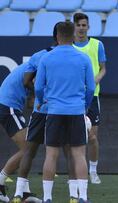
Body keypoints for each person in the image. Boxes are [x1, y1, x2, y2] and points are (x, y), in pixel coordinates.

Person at [11, 23, 78, 203]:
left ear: (55, 36)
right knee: (70, 153)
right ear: (67, 36)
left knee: (29, 151)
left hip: (42, 110)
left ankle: (18, 194)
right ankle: (74, 196)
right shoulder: (76, 57)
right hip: (62, 111)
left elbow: (27, 81)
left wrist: (41, 97)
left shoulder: (40, 56)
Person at [35, 21, 95, 203]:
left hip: (54, 112)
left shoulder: (46, 58)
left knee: (51, 155)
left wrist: (41, 100)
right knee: (79, 155)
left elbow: (38, 87)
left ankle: (47, 198)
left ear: (57, 36)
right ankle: (83, 197)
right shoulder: (83, 58)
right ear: (74, 35)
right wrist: (85, 106)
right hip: (76, 111)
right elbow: (91, 88)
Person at [73, 12, 107, 184]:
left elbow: (103, 68)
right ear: (74, 27)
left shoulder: (97, 44)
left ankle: (93, 171)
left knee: (92, 137)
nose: (81, 28)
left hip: (91, 97)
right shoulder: (68, 46)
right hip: (72, 97)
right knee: (72, 138)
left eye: (84, 25)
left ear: (88, 27)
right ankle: (75, 175)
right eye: (78, 25)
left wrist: (98, 78)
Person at [0, 61, 35, 202]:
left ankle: (24, 192)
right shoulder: (44, 60)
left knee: (28, 149)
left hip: (8, 104)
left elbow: (31, 100)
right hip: (8, 106)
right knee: (28, 148)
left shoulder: (39, 59)